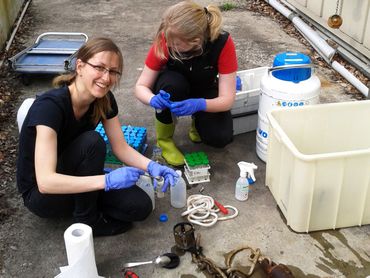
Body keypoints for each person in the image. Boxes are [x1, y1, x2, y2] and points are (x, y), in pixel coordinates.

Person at [16, 37, 178, 237]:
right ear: (80, 66)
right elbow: (46, 182)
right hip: (43, 194)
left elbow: (121, 148)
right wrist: (107, 181)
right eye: (99, 67)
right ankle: (87, 220)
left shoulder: (104, 100)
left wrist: (153, 167)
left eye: (113, 71)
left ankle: (83, 205)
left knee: (139, 207)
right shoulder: (50, 107)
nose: (106, 77)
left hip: (77, 175)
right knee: (92, 142)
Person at [135, 1, 238, 166]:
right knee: (172, 86)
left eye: (175, 45)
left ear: (196, 41)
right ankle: (165, 140)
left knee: (220, 137)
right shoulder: (168, 36)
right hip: (174, 86)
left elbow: (227, 100)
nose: (168, 45)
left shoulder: (222, 43)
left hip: (204, 89)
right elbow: (140, 87)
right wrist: (153, 99)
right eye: (168, 41)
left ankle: (197, 125)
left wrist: (199, 105)